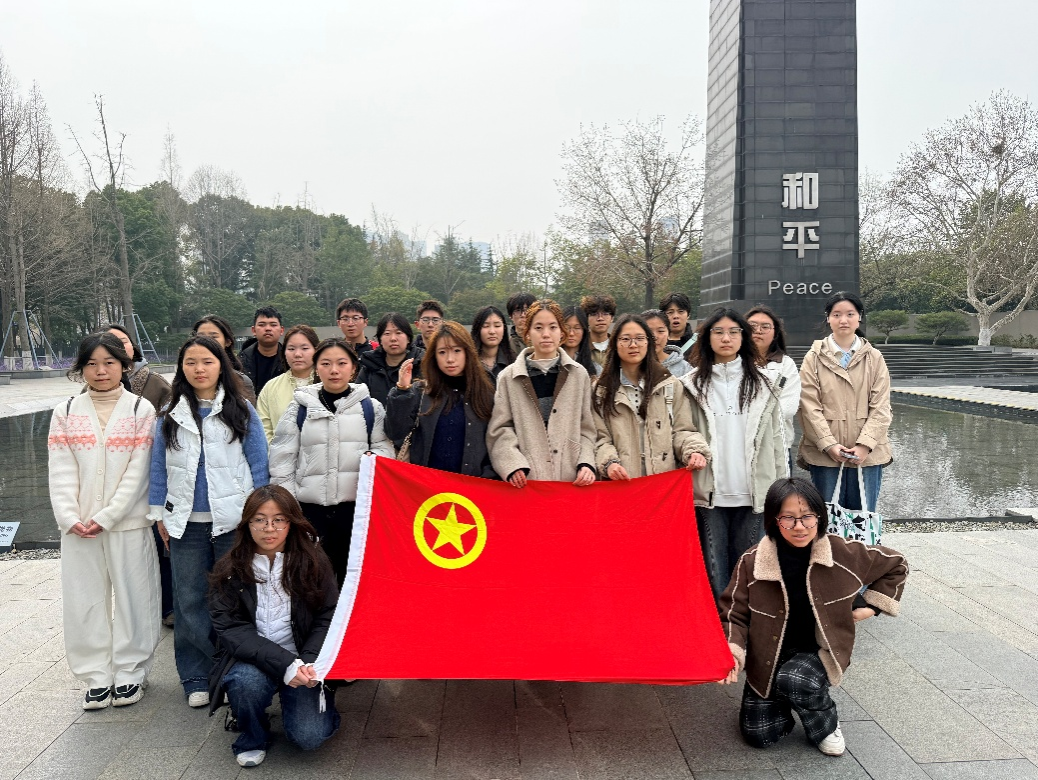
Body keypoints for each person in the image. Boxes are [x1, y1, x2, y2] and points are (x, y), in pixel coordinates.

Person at [718, 478, 908, 756]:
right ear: (774, 520)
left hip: (819, 650)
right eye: (788, 518)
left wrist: (872, 606)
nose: (799, 527)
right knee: (759, 735)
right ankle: (783, 697)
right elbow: (733, 613)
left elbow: (897, 565)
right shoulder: (752, 560)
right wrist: (733, 651)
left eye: (807, 516)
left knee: (796, 680)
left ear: (819, 516)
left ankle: (824, 720)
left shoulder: (843, 552)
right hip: (768, 654)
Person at [149, 336, 270, 708]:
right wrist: (158, 514)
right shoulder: (170, 414)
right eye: (190, 362)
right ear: (181, 368)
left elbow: (259, 465)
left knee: (236, 597)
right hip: (186, 522)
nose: (199, 369)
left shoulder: (241, 410)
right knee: (188, 600)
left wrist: (259, 515)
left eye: (207, 361)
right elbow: (158, 468)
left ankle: (236, 670)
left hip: (233, 521)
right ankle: (196, 675)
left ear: (221, 365)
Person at [48, 333, 161, 710]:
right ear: (81, 368)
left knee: (134, 597)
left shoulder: (140, 409)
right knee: (84, 600)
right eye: (92, 364)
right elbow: (61, 469)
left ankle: (131, 671)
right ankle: (96, 675)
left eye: (109, 363)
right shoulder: (65, 411)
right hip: (79, 527)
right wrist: (69, 516)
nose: (101, 371)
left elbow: (139, 471)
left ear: (123, 365)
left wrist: (109, 515)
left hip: (127, 522)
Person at [208, 485, 341, 768]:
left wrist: (307, 662)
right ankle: (252, 735)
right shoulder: (230, 567)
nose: (269, 529)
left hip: (303, 658)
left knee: (309, 737)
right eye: (260, 520)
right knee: (245, 684)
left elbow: (329, 615)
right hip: (252, 658)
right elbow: (230, 628)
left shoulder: (313, 561)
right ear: (247, 523)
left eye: (279, 520)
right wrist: (285, 664)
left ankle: (323, 706)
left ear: (291, 523)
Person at [679, 308, 787, 601]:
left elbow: (777, 442)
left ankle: (744, 620)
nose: (726, 338)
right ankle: (720, 621)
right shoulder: (690, 385)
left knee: (749, 563)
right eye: (718, 332)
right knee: (714, 565)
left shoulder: (765, 383)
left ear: (743, 337)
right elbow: (682, 433)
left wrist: (782, 489)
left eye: (733, 332)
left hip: (753, 490)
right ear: (707, 338)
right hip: (709, 489)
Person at [269, 338, 394, 585]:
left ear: (353, 368)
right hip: (310, 512)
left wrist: (375, 457)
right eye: (326, 363)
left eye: (341, 363)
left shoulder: (371, 408)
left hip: (355, 512)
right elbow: (282, 461)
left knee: (352, 580)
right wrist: (291, 508)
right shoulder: (299, 408)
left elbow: (385, 448)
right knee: (311, 580)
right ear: (316, 367)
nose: (334, 370)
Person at [797, 292, 892, 515]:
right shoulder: (814, 357)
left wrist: (865, 444)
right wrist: (828, 444)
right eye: (836, 314)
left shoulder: (874, 357)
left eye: (850, 314)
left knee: (862, 519)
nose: (843, 320)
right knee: (827, 519)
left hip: (867, 456)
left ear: (859, 317)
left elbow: (881, 407)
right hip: (825, 455)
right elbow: (809, 406)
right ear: (828, 318)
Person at [487, 299, 597, 488]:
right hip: (527, 481)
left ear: (561, 332)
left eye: (553, 327)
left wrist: (586, 463)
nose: (546, 334)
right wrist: (512, 464)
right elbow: (500, 428)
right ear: (527, 333)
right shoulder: (508, 377)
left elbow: (587, 428)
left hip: (571, 479)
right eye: (538, 328)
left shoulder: (579, 374)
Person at [107, 323, 175, 627]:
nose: (117, 347)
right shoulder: (93, 387)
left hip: (151, 477)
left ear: (132, 347)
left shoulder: (156, 384)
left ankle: (167, 606)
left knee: (160, 546)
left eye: (122, 341)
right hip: (113, 483)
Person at [592, 315, 710, 481]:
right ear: (614, 344)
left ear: (648, 342)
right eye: (625, 339)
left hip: (661, 481)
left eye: (640, 338)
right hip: (621, 482)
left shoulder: (669, 384)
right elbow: (599, 438)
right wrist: (609, 463)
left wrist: (694, 451)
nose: (633, 345)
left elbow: (682, 430)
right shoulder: (601, 390)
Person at [386, 321, 497, 478]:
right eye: (442, 352)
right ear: (434, 356)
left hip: (471, 487)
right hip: (426, 485)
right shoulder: (421, 391)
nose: (450, 359)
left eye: (457, 351)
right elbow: (395, 432)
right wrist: (402, 390)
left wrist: (486, 477)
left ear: (468, 352)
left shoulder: (485, 392)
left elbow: (496, 440)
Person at [746, 306, 801, 465]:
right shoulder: (733, 362)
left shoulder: (786, 365)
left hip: (776, 446)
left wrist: (748, 419)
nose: (758, 330)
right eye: (752, 326)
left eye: (765, 327)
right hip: (739, 445)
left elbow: (788, 407)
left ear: (775, 333)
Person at [257, 325, 319, 443]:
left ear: (316, 350)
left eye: (304, 348)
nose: (297, 354)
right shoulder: (271, 387)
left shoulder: (327, 384)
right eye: (291, 349)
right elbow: (263, 429)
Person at [355, 312, 425, 405]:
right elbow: (356, 400)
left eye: (398, 333)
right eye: (387, 333)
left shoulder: (422, 364)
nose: (393, 338)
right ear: (380, 340)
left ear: (408, 338)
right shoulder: (369, 365)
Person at [107, 323, 172, 411]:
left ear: (132, 346)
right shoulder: (93, 385)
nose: (120, 346)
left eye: (123, 342)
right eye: (112, 343)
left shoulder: (155, 382)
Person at [193, 315, 258, 403]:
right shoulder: (186, 377)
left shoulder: (241, 381)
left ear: (227, 342)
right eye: (200, 337)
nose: (206, 341)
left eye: (213, 337)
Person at [239, 307, 286, 395]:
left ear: (281, 330)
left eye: (273, 325)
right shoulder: (240, 361)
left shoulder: (289, 360)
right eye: (262, 325)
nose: (268, 328)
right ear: (254, 330)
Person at [470, 305, 515, 382]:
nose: (492, 331)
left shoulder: (514, 361)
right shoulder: (468, 361)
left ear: (504, 328)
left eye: (497, 326)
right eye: (486, 326)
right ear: (477, 329)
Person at [642, 308, 692, 378]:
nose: (655, 337)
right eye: (648, 332)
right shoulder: (630, 365)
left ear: (669, 334)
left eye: (661, 331)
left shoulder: (685, 369)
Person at [561, 305, 601, 378]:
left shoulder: (595, 370)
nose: (571, 333)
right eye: (566, 327)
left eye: (577, 328)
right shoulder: (552, 363)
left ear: (584, 331)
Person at [581, 294, 617, 369]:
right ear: (586, 318)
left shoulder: (617, 346)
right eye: (594, 314)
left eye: (605, 314)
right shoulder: (579, 346)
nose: (600, 318)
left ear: (612, 318)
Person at [660, 292, 698, 357]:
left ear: (688, 315)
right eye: (670, 312)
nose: (676, 316)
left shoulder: (699, 343)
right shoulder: (656, 343)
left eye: (681, 311)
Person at [506, 292, 536, 357]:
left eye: (527, 310)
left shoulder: (545, 341)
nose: (523, 315)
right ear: (510, 315)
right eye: (518, 310)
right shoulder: (506, 347)